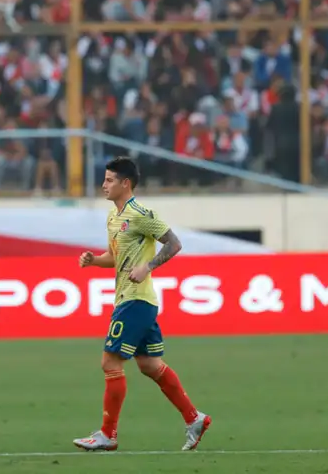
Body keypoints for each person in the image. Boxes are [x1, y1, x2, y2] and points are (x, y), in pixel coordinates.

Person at [73, 157, 211, 452]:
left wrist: (148, 266)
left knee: (110, 362)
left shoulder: (141, 214)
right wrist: (94, 261)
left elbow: (174, 243)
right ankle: (194, 418)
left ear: (126, 183)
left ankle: (108, 435)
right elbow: (115, 257)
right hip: (134, 300)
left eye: (110, 180)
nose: (104, 185)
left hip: (135, 300)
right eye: (104, 179)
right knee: (150, 365)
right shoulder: (113, 217)